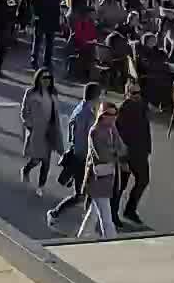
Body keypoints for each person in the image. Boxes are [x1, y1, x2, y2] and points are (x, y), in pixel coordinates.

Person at [47, 82, 102, 230]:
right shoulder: (86, 115)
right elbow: (83, 139)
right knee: (80, 194)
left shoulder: (81, 109)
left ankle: (88, 220)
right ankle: (55, 213)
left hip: (81, 157)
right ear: (96, 96)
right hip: (82, 158)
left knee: (89, 192)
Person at [78, 103, 123, 239]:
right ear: (102, 116)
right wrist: (115, 152)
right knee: (106, 215)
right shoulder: (95, 131)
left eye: (115, 114)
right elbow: (101, 155)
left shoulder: (112, 129)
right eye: (110, 114)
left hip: (108, 175)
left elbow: (121, 147)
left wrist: (115, 151)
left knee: (94, 211)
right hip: (97, 177)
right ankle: (111, 240)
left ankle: (82, 236)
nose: (113, 117)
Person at [20, 68, 62, 194]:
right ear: (38, 79)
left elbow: (55, 113)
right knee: (36, 159)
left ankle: (41, 186)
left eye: (49, 78)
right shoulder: (31, 93)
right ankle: (26, 170)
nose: (46, 80)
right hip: (37, 130)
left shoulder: (53, 94)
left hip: (49, 131)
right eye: (44, 77)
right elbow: (24, 111)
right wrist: (29, 125)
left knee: (46, 161)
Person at [115, 87, 151, 227]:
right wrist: (122, 158)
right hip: (127, 153)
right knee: (121, 185)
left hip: (141, 152)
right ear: (127, 94)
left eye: (139, 93)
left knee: (143, 180)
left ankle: (130, 209)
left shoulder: (142, 107)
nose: (137, 96)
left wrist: (148, 148)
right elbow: (119, 135)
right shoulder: (123, 110)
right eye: (134, 93)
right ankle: (113, 213)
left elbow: (146, 129)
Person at [29, 0, 62, 72]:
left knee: (38, 41)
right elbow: (56, 7)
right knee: (48, 42)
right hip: (49, 20)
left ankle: (34, 60)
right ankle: (46, 62)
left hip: (42, 19)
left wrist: (36, 15)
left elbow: (33, 3)